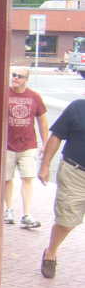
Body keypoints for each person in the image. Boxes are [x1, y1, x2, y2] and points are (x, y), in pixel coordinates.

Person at [37, 98, 85, 278]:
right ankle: (51, 251)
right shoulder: (78, 107)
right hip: (75, 172)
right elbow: (56, 136)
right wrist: (45, 165)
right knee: (66, 221)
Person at [4, 66, 49, 228]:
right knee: (7, 179)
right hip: (7, 145)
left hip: (28, 145)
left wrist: (45, 143)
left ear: (26, 79)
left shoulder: (34, 97)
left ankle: (27, 213)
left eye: (19, 76)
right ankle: (8, 209)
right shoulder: (4, 94)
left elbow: (42, 121)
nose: (15, 78)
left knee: (28, 178)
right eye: (14, 75)